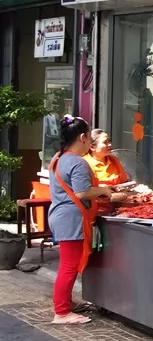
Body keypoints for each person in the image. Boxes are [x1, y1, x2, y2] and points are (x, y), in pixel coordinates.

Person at [47, 116, 113, 325]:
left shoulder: (58, 157)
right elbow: (82, 192)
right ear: (83, 137)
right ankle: (62, 312)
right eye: (89, 137)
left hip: (59, 215)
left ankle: (65, 303)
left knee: (68, 264)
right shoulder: (77, 162)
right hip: (71, 219)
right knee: (69, 266)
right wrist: (104, 190)